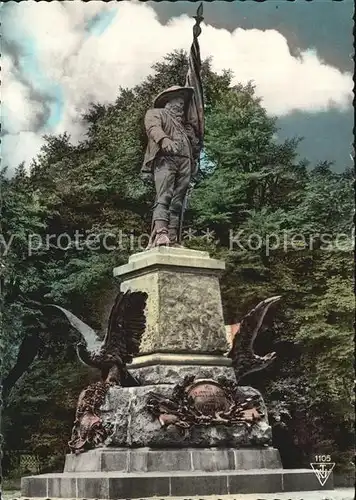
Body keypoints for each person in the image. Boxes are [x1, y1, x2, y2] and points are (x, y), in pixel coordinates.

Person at [141, 85, 200, 247]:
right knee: (164, 197)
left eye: (183, 102)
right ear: (168, 101)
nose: (181, 105)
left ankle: (172, 237)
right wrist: (164, 139)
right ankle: (161, 233)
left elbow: (194, 146)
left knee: (178, 201)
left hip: (185, 162)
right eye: (177, 101)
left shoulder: (185, 126)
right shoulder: (156, 113)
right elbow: (153, 128)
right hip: (165, 160)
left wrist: (193, 139)